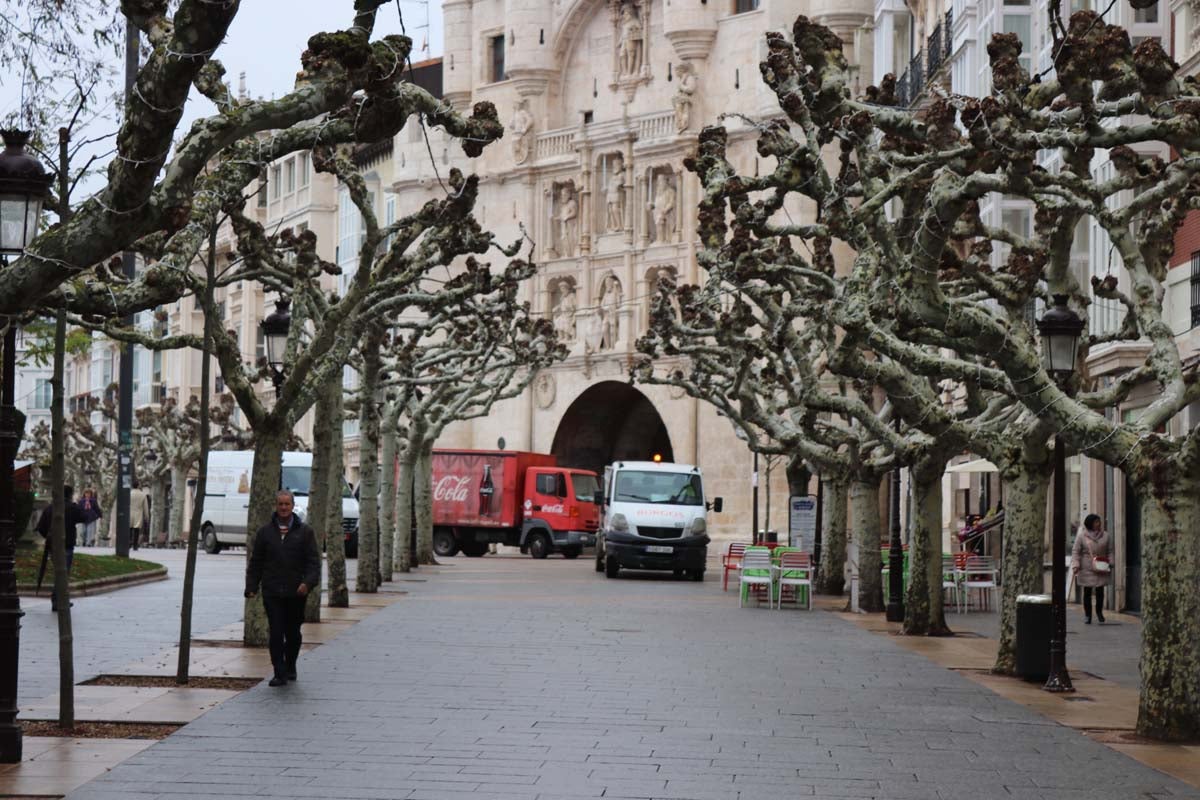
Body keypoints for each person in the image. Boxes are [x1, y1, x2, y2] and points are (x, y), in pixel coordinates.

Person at [245, 490, 321, 687]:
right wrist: (251, 586)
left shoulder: (305, 532)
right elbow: (256, 562)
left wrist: (307, 583)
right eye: (280, 504)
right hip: (272, 592)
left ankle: (290, 665)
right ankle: (279, 672)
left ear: (293, 506)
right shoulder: (265, 533)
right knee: (276, 632)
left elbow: (314, 563)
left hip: (296, 593)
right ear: (276, 506)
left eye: (287, 504)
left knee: (293, 633)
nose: (284, 508)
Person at [35, 485, 89, 611]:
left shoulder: (50, 508)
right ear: (70, 495)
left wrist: (50, 537)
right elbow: (85, 517)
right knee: (63, 573)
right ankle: (59, 600)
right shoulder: (72, 507)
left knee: (59, 572)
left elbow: (41, 528)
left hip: (53, 545)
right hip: (67, 544)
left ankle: (58, 600)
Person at [1072, 513, 1111, 624]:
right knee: (1087, 592)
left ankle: (1099, 612)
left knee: (1100, 592)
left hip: (1101, 566)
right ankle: (1088, 615)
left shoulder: (1106, 536)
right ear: (1090, 524)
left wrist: (1111, 563)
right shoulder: (1081, 536)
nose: (1099, 524)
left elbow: (1110, 551)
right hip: (1086, 567)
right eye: (1096, 522)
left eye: (1099, 522)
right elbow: (1076, 551)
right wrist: (1076, 565)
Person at [129, 480, 150, 550]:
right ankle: (135, 545)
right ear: (138, 486)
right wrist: (147, 517)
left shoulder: (129, 494)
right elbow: (145, 507)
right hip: (138, 514)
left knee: (130, 529)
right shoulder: (142, 495)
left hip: (130, 513)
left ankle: (129, 543)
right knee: (136, 530)